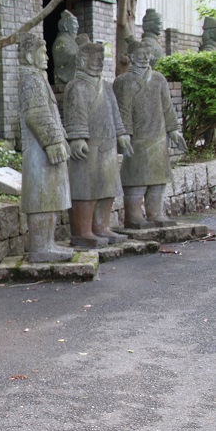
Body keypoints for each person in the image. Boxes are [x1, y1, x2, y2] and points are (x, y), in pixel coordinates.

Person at [63, 42, 132, 247]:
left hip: (108, 145)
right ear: (83, 60)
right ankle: (82, 231)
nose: (100, 62)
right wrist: (77, 137)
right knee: (86, 189)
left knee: (107, 188)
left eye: (102, 59)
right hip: (88, 147)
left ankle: (102, 226)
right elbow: (74, 113)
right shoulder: (76, 86)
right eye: (96, 59)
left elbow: (115, 112)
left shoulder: (106, 87)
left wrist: (121, 134)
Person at [114, 40, 186, 228]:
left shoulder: (159, 79)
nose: (146, 57)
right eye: (141, 54)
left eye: (148, 53)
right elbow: (122, 110)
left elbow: (167, 107)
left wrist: (174, 130)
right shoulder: (123, 82)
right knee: (136, 178)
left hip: (158, 136)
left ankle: (156, 214)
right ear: (131, 57)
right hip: (136, 139)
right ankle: (133, 216)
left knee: (158, 179)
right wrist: (124, 133)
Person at [17, 33, 73, 262]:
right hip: (39, 149)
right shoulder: (30, 79)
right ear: (30, 56)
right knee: (41, 199)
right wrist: (52, 140)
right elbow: (35, 114)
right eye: (43, 52)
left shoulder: (37, 78)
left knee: (49, 197)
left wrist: (61, 137)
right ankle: (40, 247)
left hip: (46, 147)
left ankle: (47, 244)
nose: (48, 57)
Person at [51, 10, 79, 87]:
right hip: (64, 75)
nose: (77, 27)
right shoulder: (61, 41)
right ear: (66, 26)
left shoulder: (73, 41)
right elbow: (63, 60)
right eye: (74, 24)